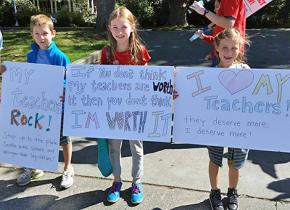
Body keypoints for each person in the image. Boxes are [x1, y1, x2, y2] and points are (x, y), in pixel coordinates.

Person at [0, 14, 74, 189]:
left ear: (53, 33)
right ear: (32, 35)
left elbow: (70, 80)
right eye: (37, 33)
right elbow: (28, 78)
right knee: (34, 136)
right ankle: (33, 167)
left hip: (58, 105)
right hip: (36, 106)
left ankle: (68, 168)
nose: (41, 37)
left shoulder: (60, 57)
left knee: (63, 137)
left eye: (45, 33)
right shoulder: (30, 55)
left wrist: (62, 88)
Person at [99, 6, 151, 204]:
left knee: (136, 146)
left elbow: (149, 80)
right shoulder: (107, 53)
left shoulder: (140, 52)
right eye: (115, 27)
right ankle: (117, 181)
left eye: (123, 26)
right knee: (114, 147)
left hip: (135, 110)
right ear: (110, 29)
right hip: (114, 110)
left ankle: (137, 182)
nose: (119, 31)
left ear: (132, 27)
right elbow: (99, 82)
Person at [208, 28, 250, 210]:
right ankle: (214, 191)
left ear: (240, 48)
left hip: (239, 127)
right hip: (216, 126)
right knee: (215, 159)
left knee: (235, 161)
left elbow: (256, 98)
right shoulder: (209, 75)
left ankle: (232, 191)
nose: (229, 53)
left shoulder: (246, 71)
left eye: (234, 48)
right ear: (217, 47)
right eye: (224, 48)